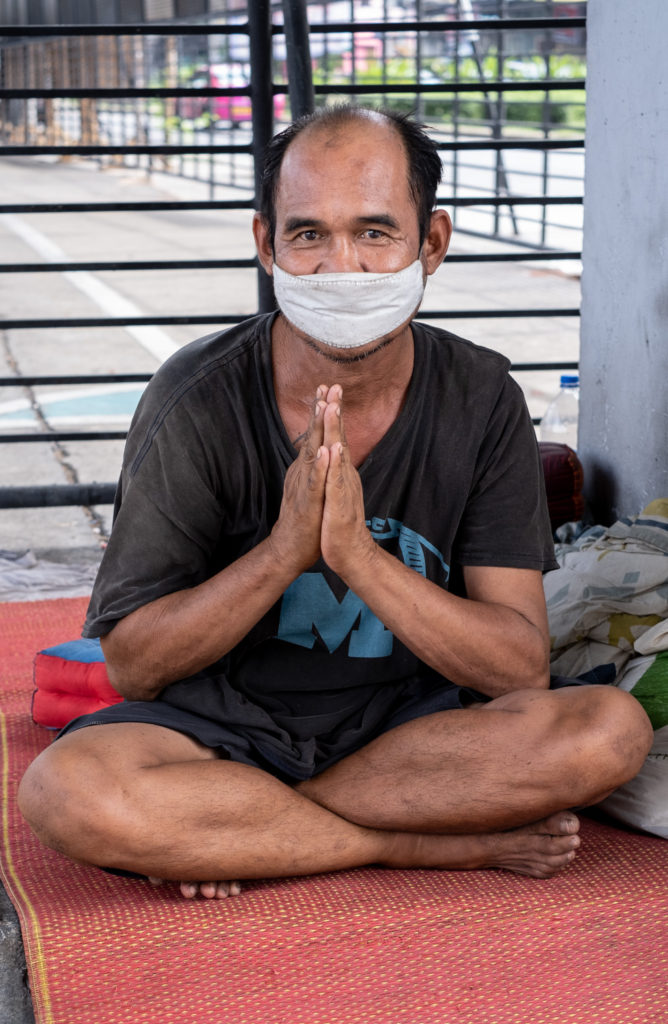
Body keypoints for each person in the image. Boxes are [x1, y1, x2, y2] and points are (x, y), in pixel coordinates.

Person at [18, 105, 652, 900]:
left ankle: (247, 833)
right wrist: (285, 549)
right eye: (309, 234)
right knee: (65, 793)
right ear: (266, 245)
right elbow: (134, 667)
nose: (342, 267)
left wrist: (355, 554)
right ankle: (420, 845)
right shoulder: (196, 397)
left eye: (375, 233)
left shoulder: (480, 394)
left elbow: (517, 668)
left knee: (605, 733)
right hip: (220, 730)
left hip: (412, 731)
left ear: (433, 244)